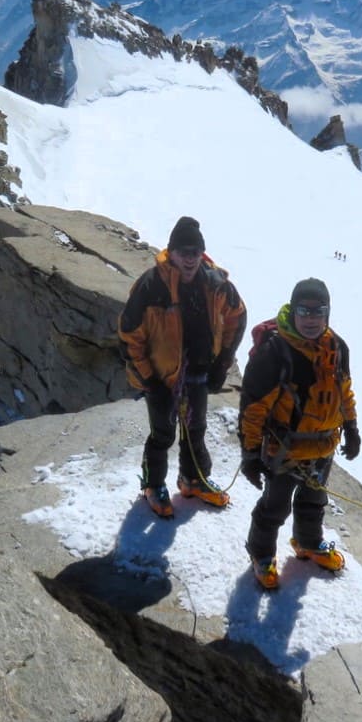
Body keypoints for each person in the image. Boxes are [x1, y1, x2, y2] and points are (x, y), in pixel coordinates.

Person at [118, 216, 247, 519]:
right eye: (183, 251)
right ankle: (153, 485)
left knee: (195, 429)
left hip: (199, 371)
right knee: (162, 434)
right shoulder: (151, 285)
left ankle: (193, 479)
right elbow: (128, 336)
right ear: (171, 252)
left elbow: (236, 317)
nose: (189, 259)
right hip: (161, 377)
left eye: (195, 252)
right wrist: (149, 380)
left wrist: (222, 362)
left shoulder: (216, 283)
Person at [238, 278, 361, 590]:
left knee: (314, 500)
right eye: (303, 311)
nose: (310, 319)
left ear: (327, 313)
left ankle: (307, 542)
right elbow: (254, 409)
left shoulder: (337, 347)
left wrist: (351, 427)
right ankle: (261, 553)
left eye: (317, 311)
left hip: (323, 446)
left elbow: (343, 391)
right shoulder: (275, 352)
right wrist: (251, 454)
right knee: (274, 507)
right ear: (292, 311)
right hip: (285, 450)